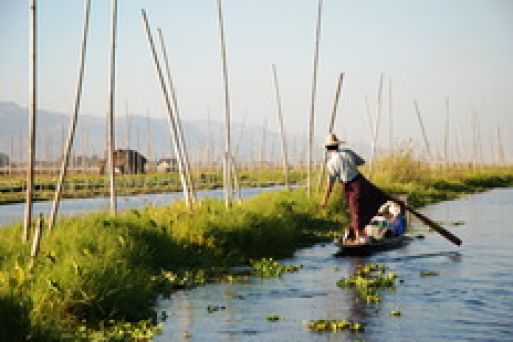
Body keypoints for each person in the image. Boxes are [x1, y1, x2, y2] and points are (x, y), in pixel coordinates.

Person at [319, 132, 390, 244]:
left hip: (351, 187)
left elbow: (330, 184)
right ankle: (360, 233)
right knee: (374, 201)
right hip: (362, 182)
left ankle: (358, 238)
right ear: (337, 145)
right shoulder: (348, 152)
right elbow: (361, 162)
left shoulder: (331, 163)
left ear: (327, 148)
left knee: (355, 211)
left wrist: (324, 200)